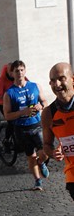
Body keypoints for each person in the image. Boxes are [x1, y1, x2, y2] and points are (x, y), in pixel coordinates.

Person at [3, 60, 49, 191]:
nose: (20, 73)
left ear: (25, 71)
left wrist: (40, 105)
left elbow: (44, 100)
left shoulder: (35, 86)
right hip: (21, 128)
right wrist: (22, 112)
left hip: (36, 124)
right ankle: (37, 181)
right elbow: (7, 115)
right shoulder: (9, 93)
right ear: (12, 73)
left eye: (22, 70)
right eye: (16, 71)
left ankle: (41, 163)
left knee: (44, 152)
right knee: (31, 155)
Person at [42, 62, 74, 201]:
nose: (57, 84)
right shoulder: (49, 113)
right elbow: (47, 145)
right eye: (53, 81)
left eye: (62, 78)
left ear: (72, 79)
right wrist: (53, 153)